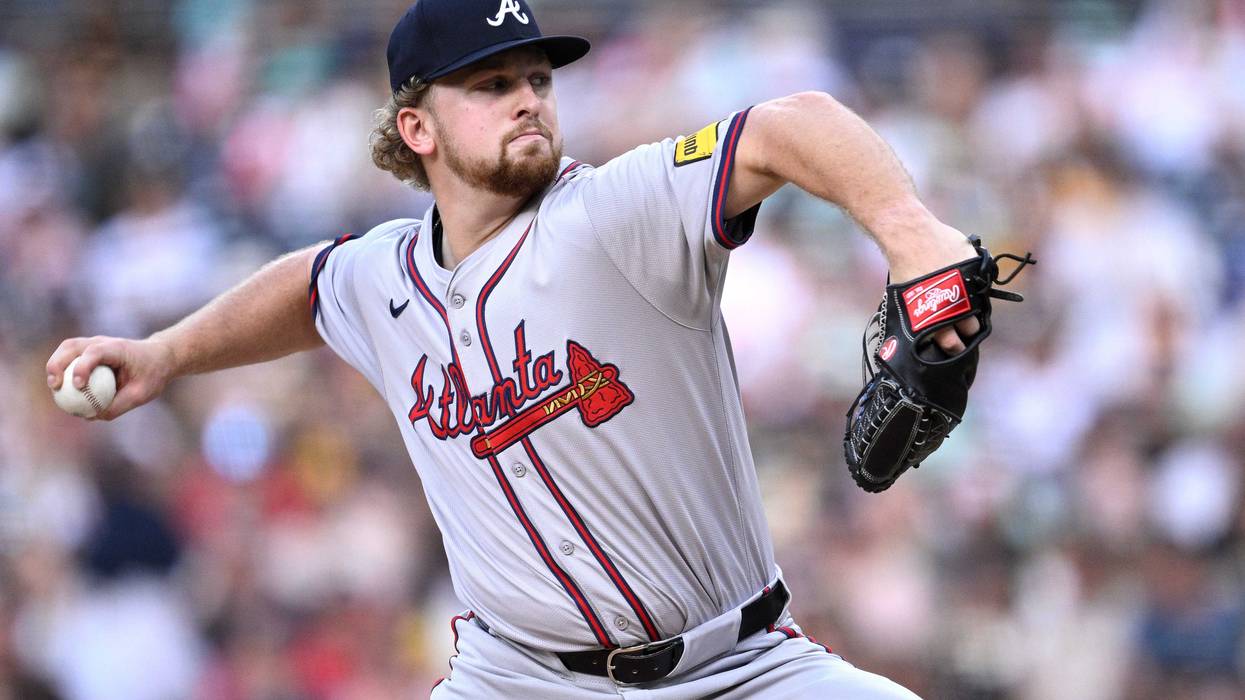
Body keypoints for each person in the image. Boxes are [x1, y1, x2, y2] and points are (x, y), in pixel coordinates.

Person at [48, 0, 980, 696]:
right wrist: (164, 354)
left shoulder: (614, 212)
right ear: (416, 127)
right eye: (491, 85)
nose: (527, 100)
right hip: (520, 679)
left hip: (738, 667)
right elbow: (307, 288)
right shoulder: (384, 276)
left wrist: (908, 230)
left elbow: (789, 125)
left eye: (537, 79)